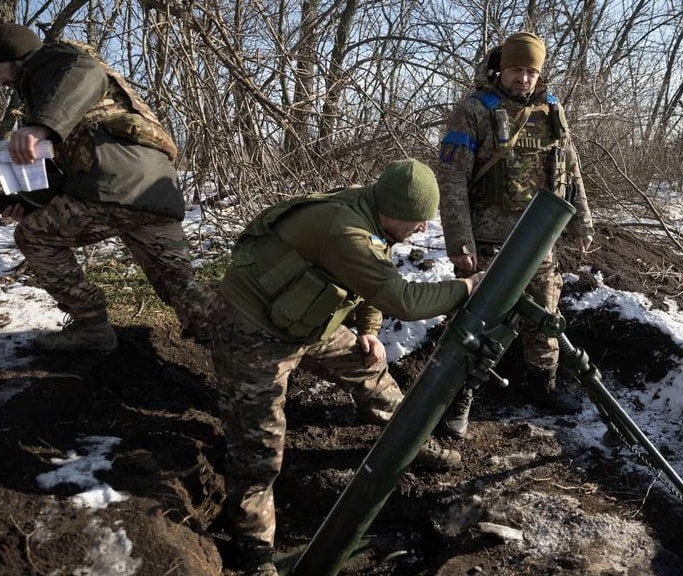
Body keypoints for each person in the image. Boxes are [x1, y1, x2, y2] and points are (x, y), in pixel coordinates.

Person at [208, 159, 483, 575]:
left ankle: (411, 441)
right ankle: (255, 552)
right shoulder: (346, 229)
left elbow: (375, 274)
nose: (423, 230)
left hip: (309, 319)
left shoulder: (371, 211)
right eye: (417, 220)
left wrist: (369, 329)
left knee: (370, 371)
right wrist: (466, 288)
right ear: (392, 210)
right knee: (258, 448)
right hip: (253, 330)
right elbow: (403, 300)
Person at [0, 23, 211, 351]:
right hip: (155, 192)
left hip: (114, 187)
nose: (1, 80)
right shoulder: (53, 92)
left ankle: (92, 328)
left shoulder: (52, 60)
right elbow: (71, 178)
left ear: (13, 57)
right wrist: (26, 204)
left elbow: (86, 71)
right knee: (182, 287)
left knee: (33, 237)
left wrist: (40, 127)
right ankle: (248, 348)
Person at [436, 31, 595, 439]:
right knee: (477, 324)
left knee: (545, 317)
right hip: (490, 244)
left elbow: (570, 169)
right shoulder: (474, 110)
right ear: (500, 68)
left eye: (530, 71)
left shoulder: (552, 109)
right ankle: (457, 400)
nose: (523, 78)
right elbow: (452, 179)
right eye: (515, 70)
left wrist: (582, 222)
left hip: (541, 239)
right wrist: (461, 243)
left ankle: (542, 386)